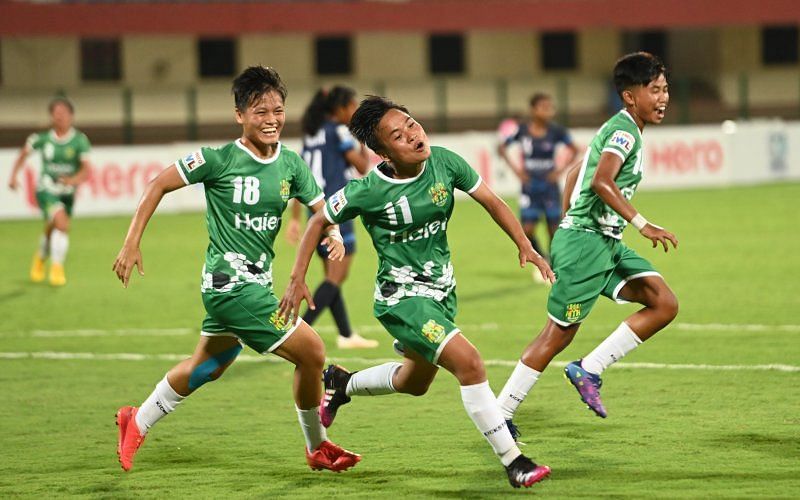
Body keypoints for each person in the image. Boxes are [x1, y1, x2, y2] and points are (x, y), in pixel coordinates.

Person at [279, 96, 555, 488]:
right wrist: (298, 275)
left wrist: (525, 244)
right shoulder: (368, 189)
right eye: (398, 134)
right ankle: (514, 461)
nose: (413, 135)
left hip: (441, 293)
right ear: (382, 152)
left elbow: (491, 201)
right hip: (402, 300)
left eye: (411, 123)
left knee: (415, 382)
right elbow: (319, 218)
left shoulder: (444, 161)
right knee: (470, 363)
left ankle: (342, 383)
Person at [111, 66, 360, 473]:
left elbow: (322, 209)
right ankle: (318, 446)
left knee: (207, 367)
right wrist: (131, 240)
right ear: (239, 115)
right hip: (230, 287)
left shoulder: (292, 165)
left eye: (277, 110)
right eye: (260, 111)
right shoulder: (218, 160)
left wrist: (331, 231)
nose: (271, 120)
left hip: (254, 285)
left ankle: (135, 420)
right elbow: (157, 184)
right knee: (312, 352)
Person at [496, 52, 679, 438]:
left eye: (665, 90)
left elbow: (576, 174)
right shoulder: (625, 132)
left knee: (664, 302)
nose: (663, 98)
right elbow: (600, 181)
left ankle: (589, 369)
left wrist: (566, 223)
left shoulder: (620, 127)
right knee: (556, 335)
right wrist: (641, 225)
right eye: (655, 90)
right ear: (630, 96)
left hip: (602, 243)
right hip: (588, 244)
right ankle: (499, 413)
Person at [286, 85, 377, 349]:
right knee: (336, 278)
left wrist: (294, 218)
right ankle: (295, 332)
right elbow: (362, 167)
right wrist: (361, 138)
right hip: (337, 209)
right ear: (339, 109)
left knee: (331, 276)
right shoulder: (338, 131)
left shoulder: (313, 133)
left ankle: (346, 335)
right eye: (351, 106)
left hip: (314, 211)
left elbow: (301, 176)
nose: (354, 111)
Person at [7, 97, 91, 286]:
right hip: (46, 190)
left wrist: (74, 180)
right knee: (62, 224)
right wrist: (13, 176)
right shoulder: (42, 139)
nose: (59, 116)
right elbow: (23, 154)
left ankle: (40, 257)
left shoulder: (79, 141)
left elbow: (86, 169)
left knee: (53, 227)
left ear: (71, 116)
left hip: (67, 193)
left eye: (63, 113)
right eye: (55, 113)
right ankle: (56, 269)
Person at [497, 93, 578, 267]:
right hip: (529, 186)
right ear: (533, 110)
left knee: (554, 229)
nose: (549, 111)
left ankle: (555, 263)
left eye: (550, 107)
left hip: (549, 186)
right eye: (544, 107)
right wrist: (517, 171)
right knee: (527, 230)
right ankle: (542, 258)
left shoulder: (557, 131)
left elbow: (574, 149)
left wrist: (559, 171)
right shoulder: (522, 131)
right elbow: (502, 148)